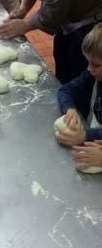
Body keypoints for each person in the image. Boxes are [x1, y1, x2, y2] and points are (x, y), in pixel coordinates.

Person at [56, 23, 102, 170]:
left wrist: (85, 136)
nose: (89, 68)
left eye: (95, 64)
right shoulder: (92, 75)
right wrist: (70, 109)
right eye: (88, 62)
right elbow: (65, 90)